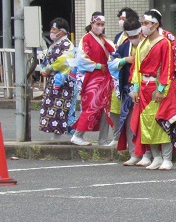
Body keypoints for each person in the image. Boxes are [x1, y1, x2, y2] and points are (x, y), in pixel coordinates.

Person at [129, 11, 176, 170]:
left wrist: (161, 88)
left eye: (146, 23)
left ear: (156, 24)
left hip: (158, 86)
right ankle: (156, 156)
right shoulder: (142, 44)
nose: (144, 26)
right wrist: (136, 88)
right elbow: (137, 67)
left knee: (162, 121)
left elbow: (167, 67)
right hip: (143, 87)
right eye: (143, 22)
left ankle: (167, 157)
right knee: (147, 123)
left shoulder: (164, 43)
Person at [72, 12, 116, 146]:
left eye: (102, 25)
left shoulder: (105, 39)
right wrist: (96, 65)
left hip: (105, 78)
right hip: (93, 78)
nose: (100, 27)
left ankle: (102, 139)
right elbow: (81, 59)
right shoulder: (86, 39)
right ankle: (77, 135)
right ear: (92, 24)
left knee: (104, 109)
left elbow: (114, 52)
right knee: (92, 107)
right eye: (97, 24)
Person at [113, 16, 144, 165]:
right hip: (127, 90)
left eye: (136, 36)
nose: (133, 39)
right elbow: (111, 63)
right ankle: (133, 153)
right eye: (130, 36)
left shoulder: (148, 44)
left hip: (145, 88)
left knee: (145, 122)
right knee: (129, 123)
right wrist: (125, 60)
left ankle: (147, 154)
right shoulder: (124, 46)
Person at [39, 18, 75, 138]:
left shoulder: (67, 44)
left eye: (54, 29)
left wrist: (50, 68)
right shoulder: (54, 45)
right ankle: (55, 135)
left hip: (63, 83)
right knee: (52, 108)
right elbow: (46, 60)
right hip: (52, 81)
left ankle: (59, 135)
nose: (52, 31)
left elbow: (64, 60)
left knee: (60, 109)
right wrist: (44, 69)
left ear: (62, 31)